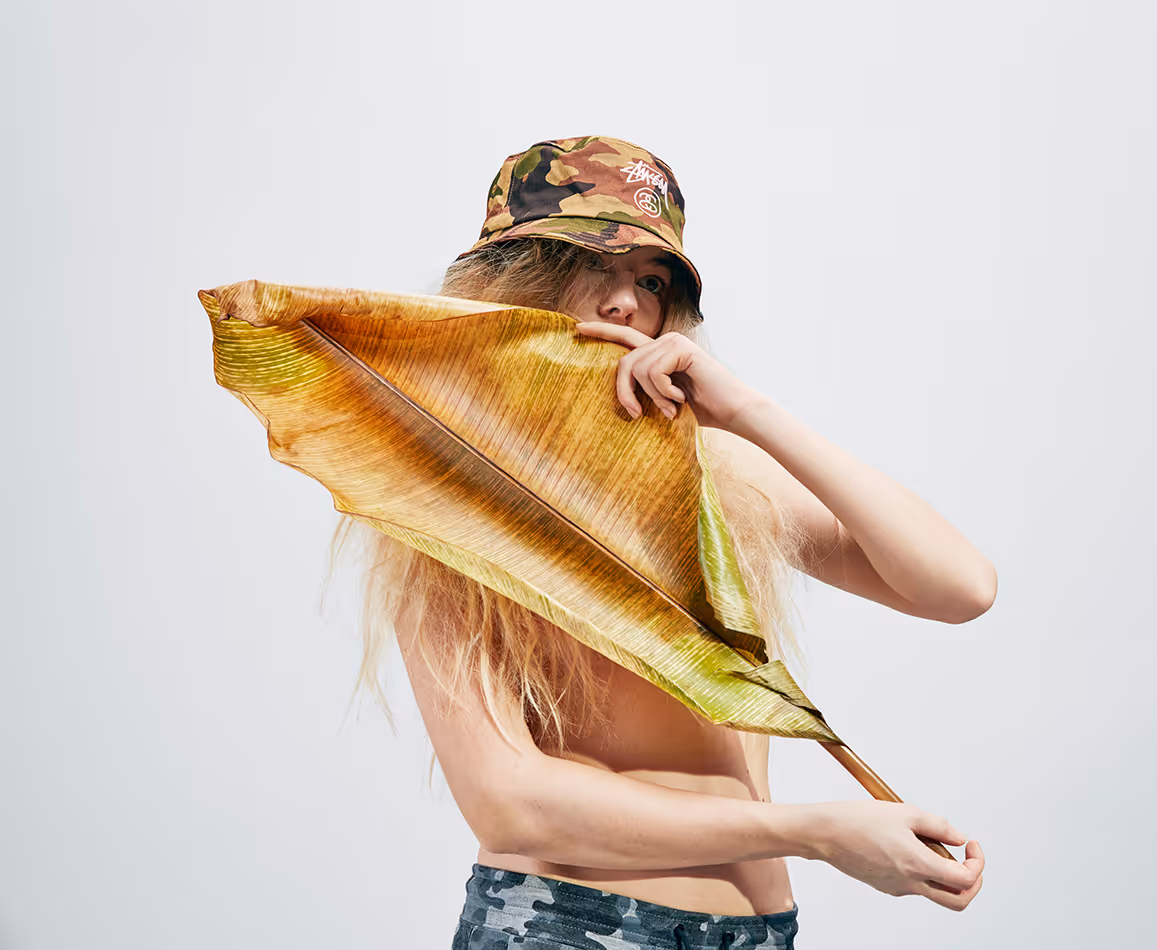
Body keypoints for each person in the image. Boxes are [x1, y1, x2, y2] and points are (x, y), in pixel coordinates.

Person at [338, 136, 994, 949]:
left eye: (651, 281)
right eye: (587, 265)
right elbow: (509, 803)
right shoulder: (445, 500)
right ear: (507, 283)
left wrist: (745, 412)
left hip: (757, 933)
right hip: (566, 926)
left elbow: (959, 588)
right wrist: (816, 832)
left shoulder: (714, 469)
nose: (624, 304)